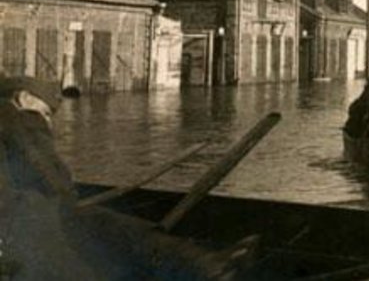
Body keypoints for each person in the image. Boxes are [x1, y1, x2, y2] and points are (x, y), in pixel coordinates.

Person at [0, 76, 256, 280]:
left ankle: (202, 266)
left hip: (13, 223)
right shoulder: (14, 118)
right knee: (111, 229)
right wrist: (33, 121)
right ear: (23, 98)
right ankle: (206, 268)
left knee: (105, 226)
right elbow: (58, 182)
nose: (47, 122)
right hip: (14, 229)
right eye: (45, 113)